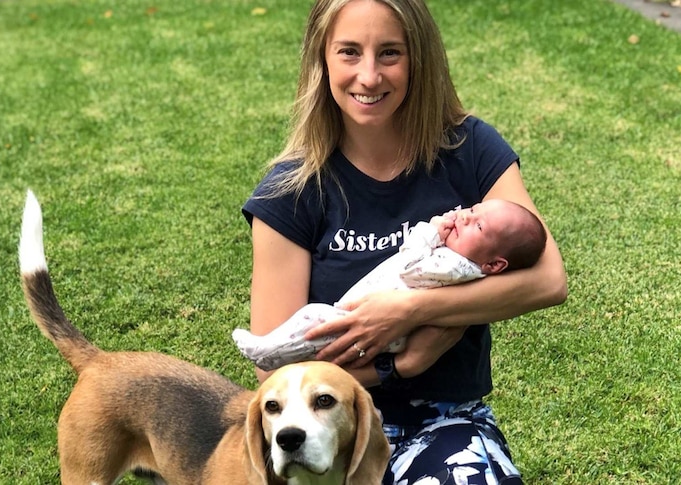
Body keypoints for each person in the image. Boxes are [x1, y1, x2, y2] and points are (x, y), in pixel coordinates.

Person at [241, 0, 567, 482]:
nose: (369, 76)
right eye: (349, 52)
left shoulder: (469, 149)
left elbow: (548, 280)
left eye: (390, 53)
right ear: (321, 59)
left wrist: (412, 312)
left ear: (420, 59)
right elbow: (274, 375)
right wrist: (403, 365)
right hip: (329, 429)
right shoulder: (289, 192)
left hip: (444, 419)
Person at [233, 199, 546, 371]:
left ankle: (270, 350)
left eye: (478, 225)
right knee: (317, 337)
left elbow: (411, 268)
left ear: (494, 265)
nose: (463, 218)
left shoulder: (455, 266)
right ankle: (277, 352)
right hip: (374, 321)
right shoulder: (459, 261)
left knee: (313, 323)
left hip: (379, 327)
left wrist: (431, 232)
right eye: (473, 210)